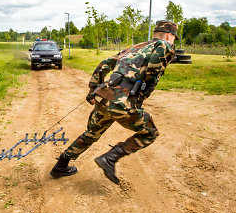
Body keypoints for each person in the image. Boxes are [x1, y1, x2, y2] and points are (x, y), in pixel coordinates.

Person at [50, 20, 178, 184]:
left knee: (91, 134)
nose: (173, 42)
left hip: (105, 97)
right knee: (150, 133)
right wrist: (146, 92)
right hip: (122, 103)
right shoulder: (165, 45)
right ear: (169, 35)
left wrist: (93, 89)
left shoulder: (134, 47)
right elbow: (154, 69)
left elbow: (104, 64)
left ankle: (61, 165)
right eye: (174, 38)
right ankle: (110, 159)